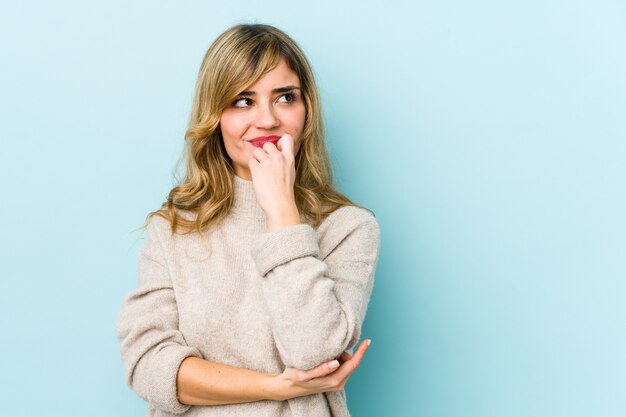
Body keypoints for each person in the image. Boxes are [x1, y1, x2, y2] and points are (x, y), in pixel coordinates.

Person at [115, 23, 380, 417]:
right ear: (215, 116)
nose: (267, 120)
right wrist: (275, 387)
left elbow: (313, 351)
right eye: (243, 101)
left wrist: (282, 213)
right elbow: (149, 367)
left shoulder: (349, 228)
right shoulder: (174, 227)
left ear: (306, 111)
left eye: (285, 97)